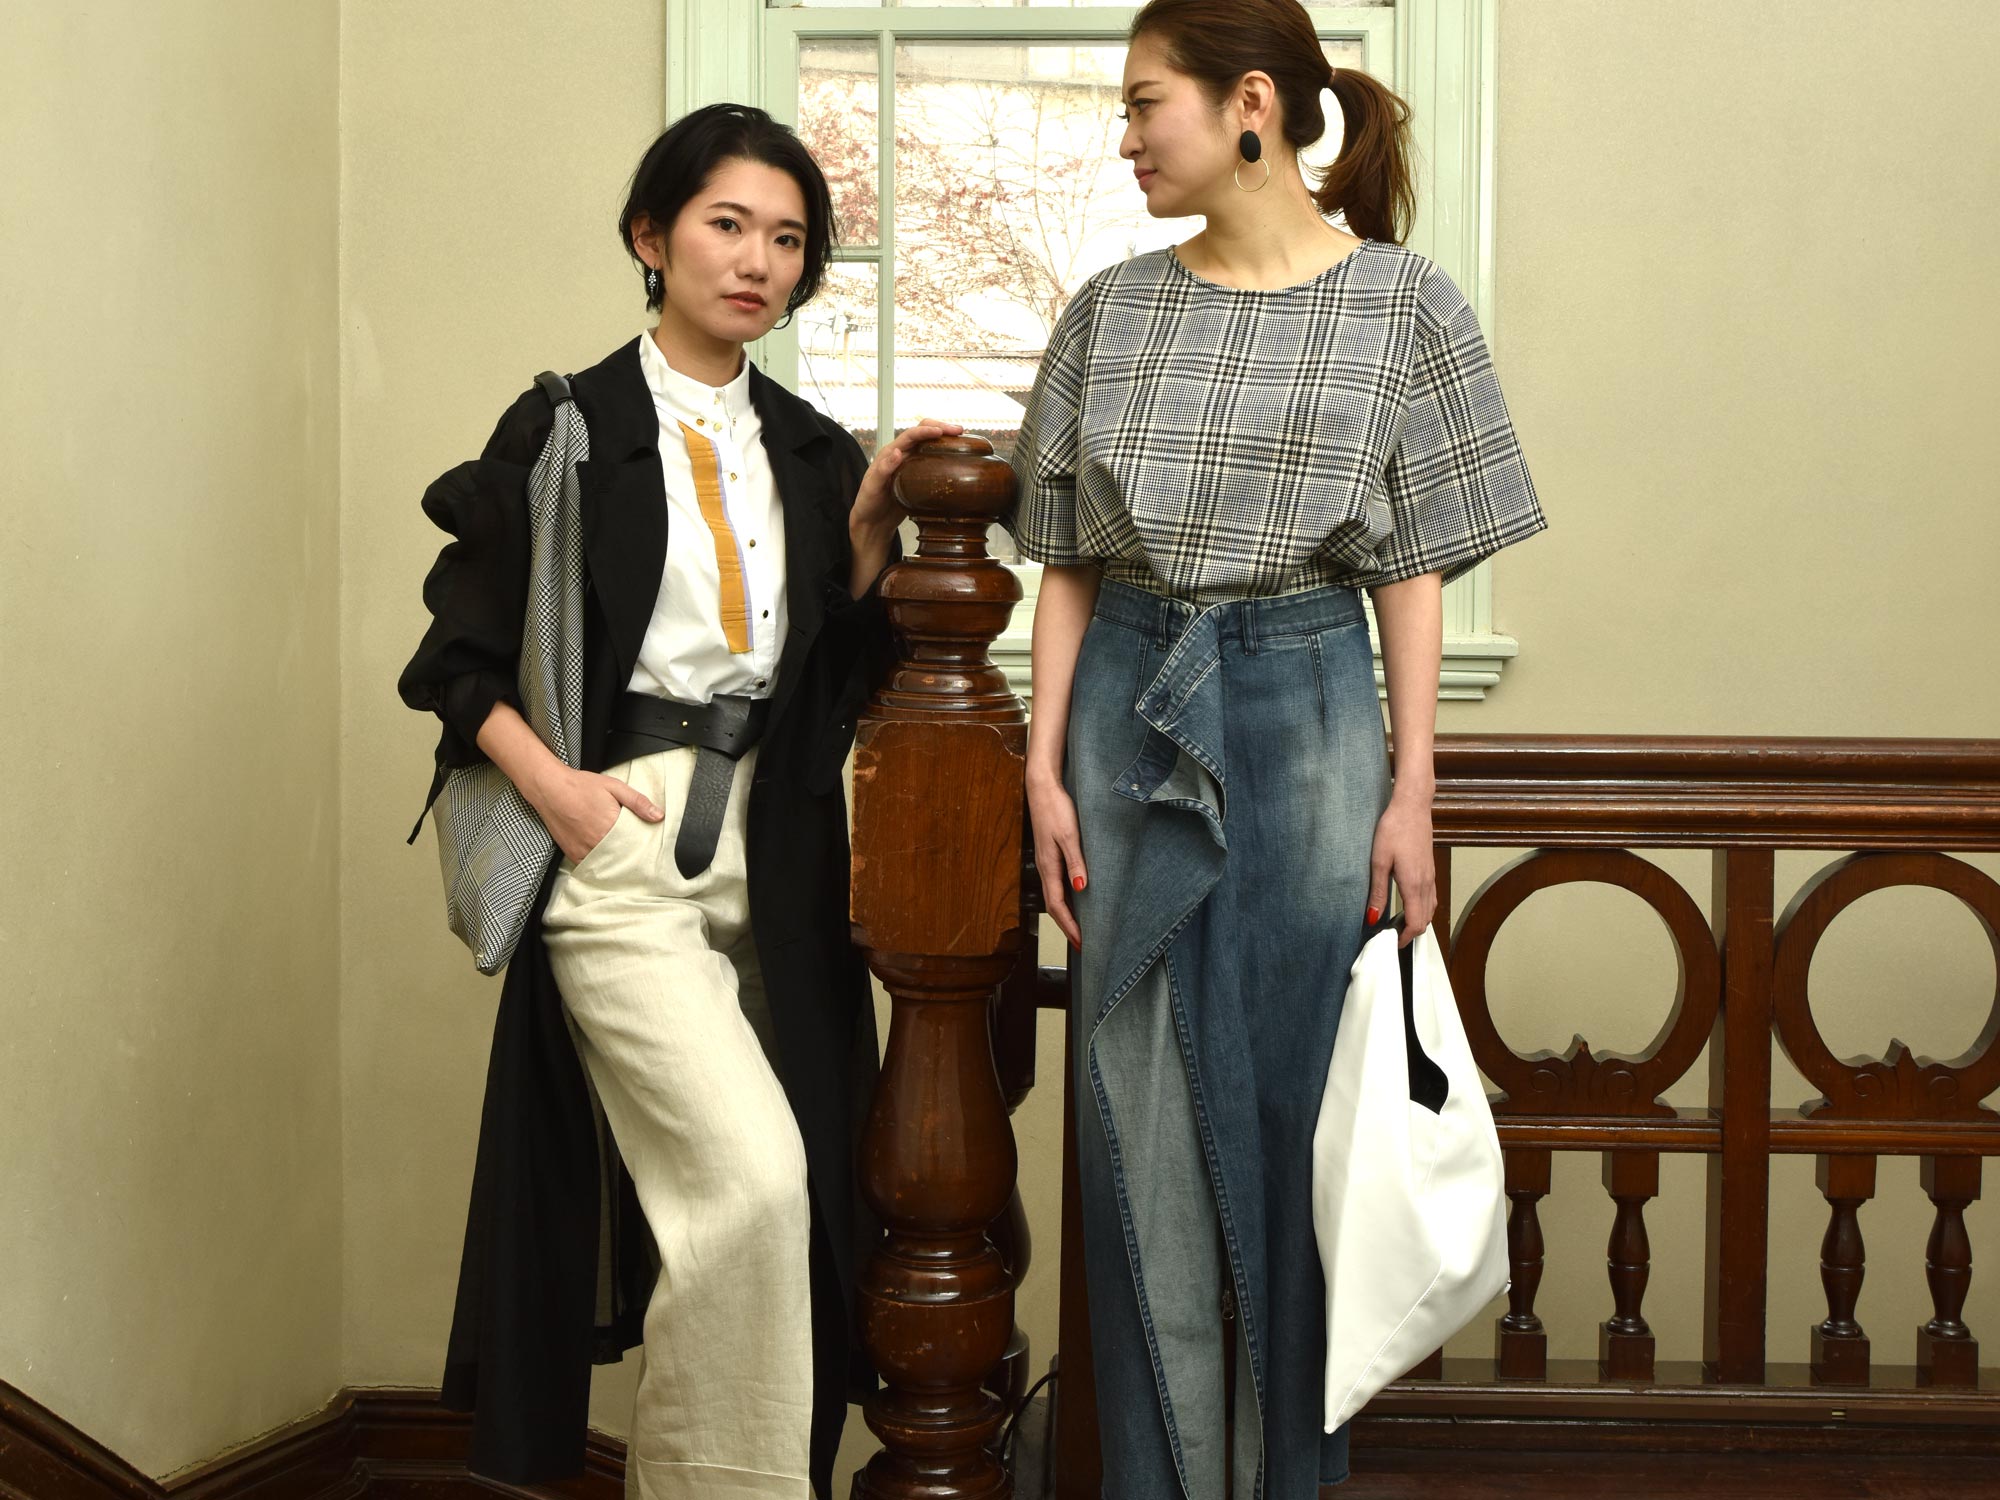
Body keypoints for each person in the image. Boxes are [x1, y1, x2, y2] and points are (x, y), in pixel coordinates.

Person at [1005, 2, 1548, 1496]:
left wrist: (1414, 788)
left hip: (1312, 710)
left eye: (1145, 103)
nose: (1126, 137)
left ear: (1250, 102)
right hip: (1124, 706)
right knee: (1132, 1111)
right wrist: (1041, 767)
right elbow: (1065, 566)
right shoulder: (1109, 310)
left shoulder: (1406, 304)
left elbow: (1412, 572)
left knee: (1305, 1115)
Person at [399, 103, 958, 1500]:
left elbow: (834, 681)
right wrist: (562, 799)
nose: (758, 260)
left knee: (797, 1198)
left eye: (789, 238)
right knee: (748, 1184)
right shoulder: (568, 425)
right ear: (652, 237)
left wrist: (869, 542)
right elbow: (456, 662)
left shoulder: (813, 451)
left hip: (781, 852)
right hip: (623, 844)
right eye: (727, 225)